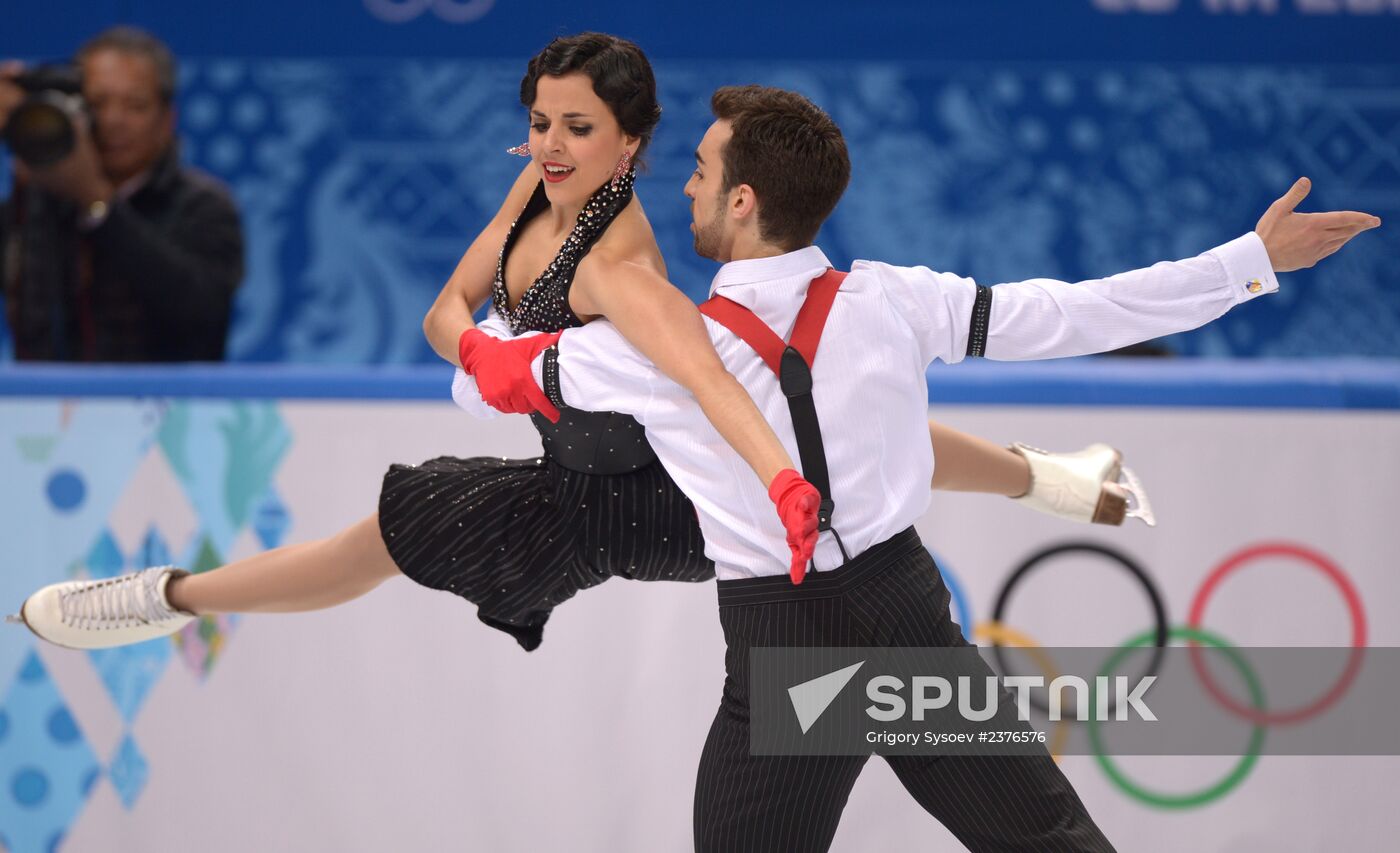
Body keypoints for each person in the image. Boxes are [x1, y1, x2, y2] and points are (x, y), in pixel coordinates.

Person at [11, 35, 1140, 660]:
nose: (549, 144)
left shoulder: (623, 267)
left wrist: (782, 481)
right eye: (540, 120)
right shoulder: (538, 188)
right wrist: (487, 360)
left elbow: (701, 373)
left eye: (577, 129)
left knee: (821, 425)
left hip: (648, 501)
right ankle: (165, 597)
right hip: (581, 470)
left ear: (631, 144)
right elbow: (440, 312)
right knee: (388, 537)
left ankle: (169, 596)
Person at [464, 85, 1380, 851]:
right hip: (900, 625)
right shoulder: (897, 301)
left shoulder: (658, 352)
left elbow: (484, 372)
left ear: (743, 201)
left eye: (702, 173)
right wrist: (1249, 263)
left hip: (783, 652)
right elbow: (1080, 313)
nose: (689, 190)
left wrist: (509, 286)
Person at [0, 26, 242, 361]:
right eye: (98, 103)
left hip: (171, 408)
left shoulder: (204, 206)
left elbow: (201, 313)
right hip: (44, 409)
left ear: (167, 119)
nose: (114, 120)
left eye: (136, 106)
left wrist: (96, 202)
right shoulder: (38, 205)